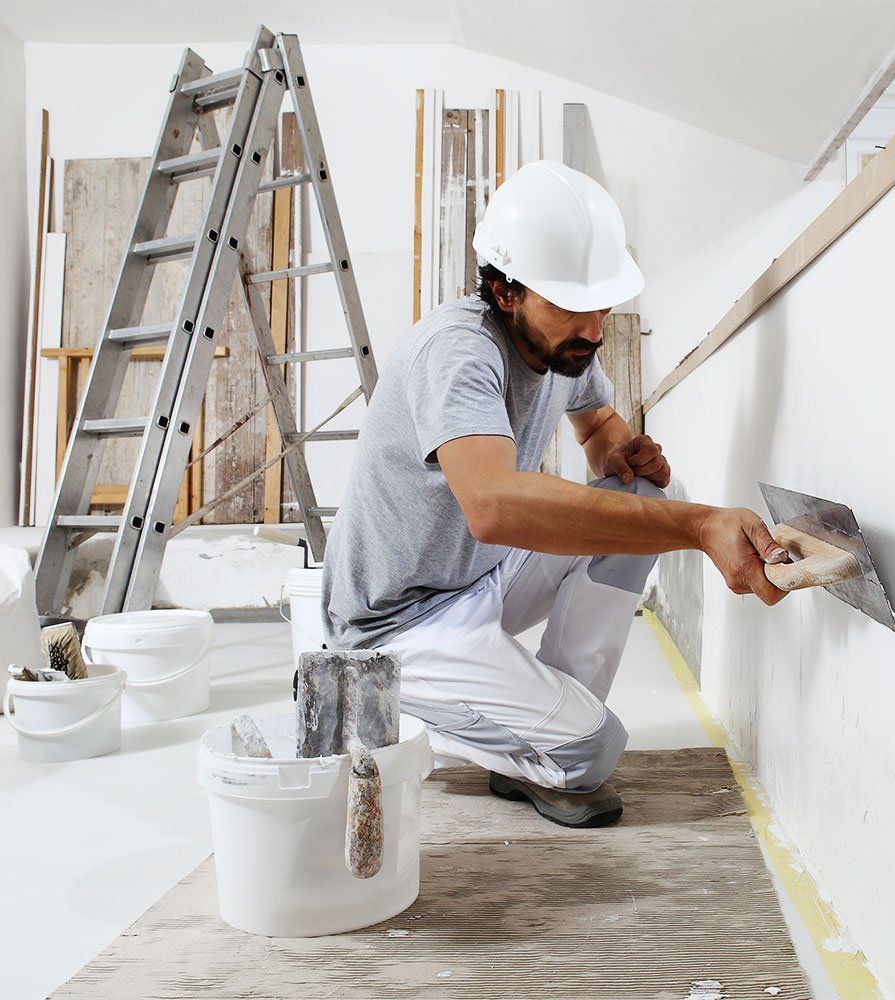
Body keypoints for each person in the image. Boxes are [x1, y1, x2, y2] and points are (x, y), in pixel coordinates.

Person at [321, 160, 788, 828]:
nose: (596, 329)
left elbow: (596, 423)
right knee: (592, 751)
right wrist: (702, 526)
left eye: (602, 304)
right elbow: (493, 505)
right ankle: (371, 702)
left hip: (475, 584)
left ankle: (544, 726)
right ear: (505, 292)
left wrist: (617, 452)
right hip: (394, 626)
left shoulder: (565, 348)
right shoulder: (459, 354)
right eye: (574, 305)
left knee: (648, 496)